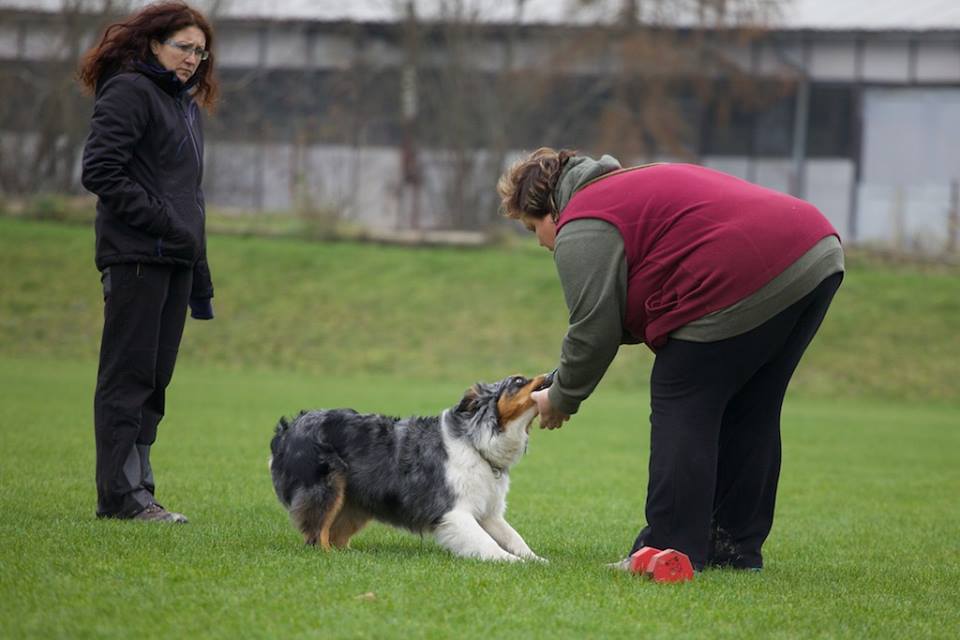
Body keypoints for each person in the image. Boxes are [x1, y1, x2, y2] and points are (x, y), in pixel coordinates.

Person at [498, 148, 843, 571]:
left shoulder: (583, 221)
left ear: (550, 208)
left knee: (682, 396)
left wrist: (562, 397)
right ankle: (734, 549)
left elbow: (593, 330)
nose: (539, 241)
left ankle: (669, 548)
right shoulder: (622, 191)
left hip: (746, 270)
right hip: (814, 251)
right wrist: (561, 379)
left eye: (533, 227)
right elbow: (620, 317)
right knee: (752, 408)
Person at [78, 1, 218, 522]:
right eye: (183, 47)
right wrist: (165, 223)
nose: (192, 59)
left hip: (175, 260)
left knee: (155, 382)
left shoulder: (184, 105)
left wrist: (193, 254)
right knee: (128, 378)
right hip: (136, 256)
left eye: (200, 52)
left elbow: (188, 197)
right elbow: (101, 172)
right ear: (154, 44)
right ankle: (119, 497)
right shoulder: (129, 91)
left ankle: (139, 491)